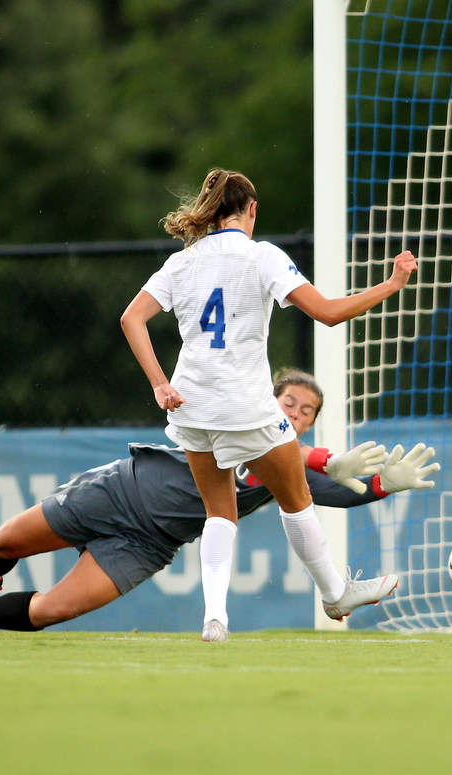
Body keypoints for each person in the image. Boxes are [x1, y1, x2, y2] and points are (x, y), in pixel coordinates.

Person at [118, 168, 417, 636]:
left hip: (190, 405)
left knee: (220, 510)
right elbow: (329, 314)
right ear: (252, 210)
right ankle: (335, 594)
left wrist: (159, 384)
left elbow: (131, 319)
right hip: (245, 405)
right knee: (296, 498)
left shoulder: (184, 261)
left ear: (212, 212)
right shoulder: (262, 257)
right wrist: (391, 285)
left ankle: (214, 616)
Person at [0, 368, 440, 639]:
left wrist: (383, 485)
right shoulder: (238, 415)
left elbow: (327, 491)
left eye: (307, 411)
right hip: (120, 491)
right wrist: (326, 459)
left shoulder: (289, 463)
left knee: (53, 610)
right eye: (289, 402)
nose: (297, 413)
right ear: (269, 398)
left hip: (147, 544)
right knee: (4, 541)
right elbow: (301, 461)